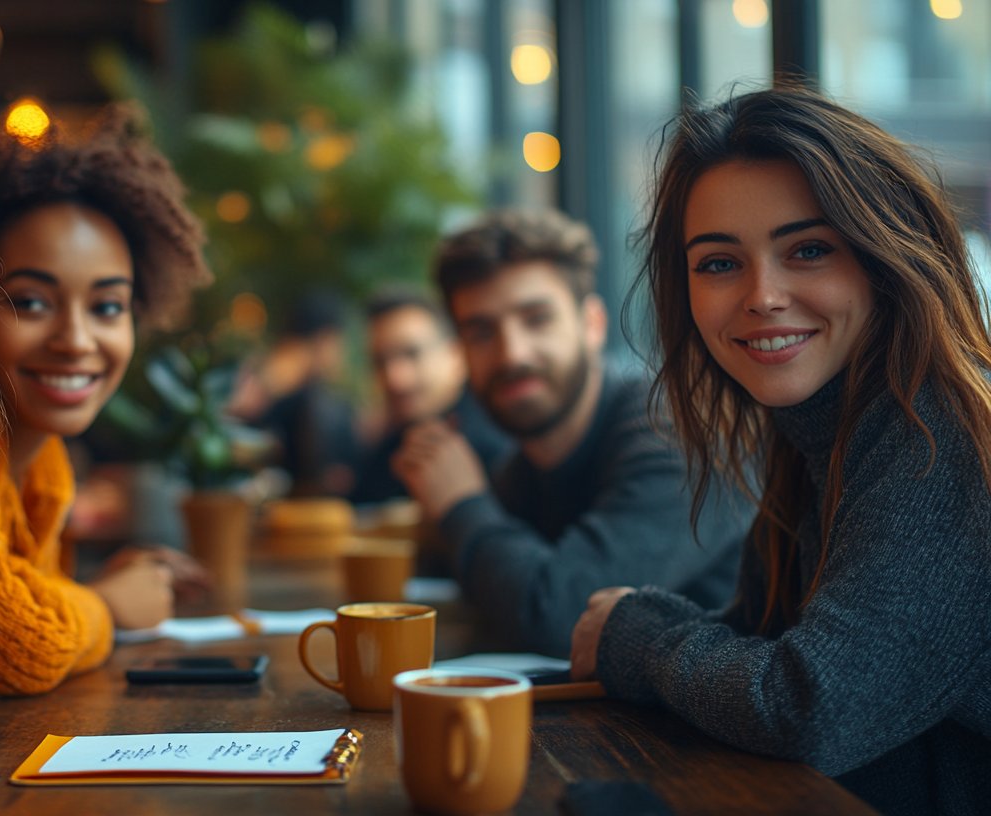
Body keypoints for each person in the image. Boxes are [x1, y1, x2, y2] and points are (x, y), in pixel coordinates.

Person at [569, 85, 991, 815]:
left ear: (882, 255)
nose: (762, 295)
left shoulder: (940, 434)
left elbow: (811, 707)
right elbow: (768, 636)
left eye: (809, 249)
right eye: (719, 263)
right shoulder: (824, 425)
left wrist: (635, 636)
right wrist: (644, 619)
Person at [392, 207, 750, 657]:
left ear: (591, 324)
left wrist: (462, 504)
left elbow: (562, 618)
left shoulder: (676, 432)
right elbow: (485, 598)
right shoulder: (521, 469)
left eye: (536, 319)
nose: (511, 354)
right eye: (481, 332)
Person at [0, 109, 213, 696]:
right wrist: (106, 607)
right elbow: (10, 644)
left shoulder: (43, 460)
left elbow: (19, 593)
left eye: (107, 307)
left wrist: (90, 592)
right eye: (32, 302)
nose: (76, 340)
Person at [350, 288, 511, 506]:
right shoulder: (390, 449)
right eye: (380, 362)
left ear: (456, 354)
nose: (395, 378)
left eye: (411, 354)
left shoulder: (499, 444)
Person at [231, 288, 359, 497]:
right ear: (324, 339)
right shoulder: (284, 397)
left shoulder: (329, 402)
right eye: (338, 344)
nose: (340, 355)